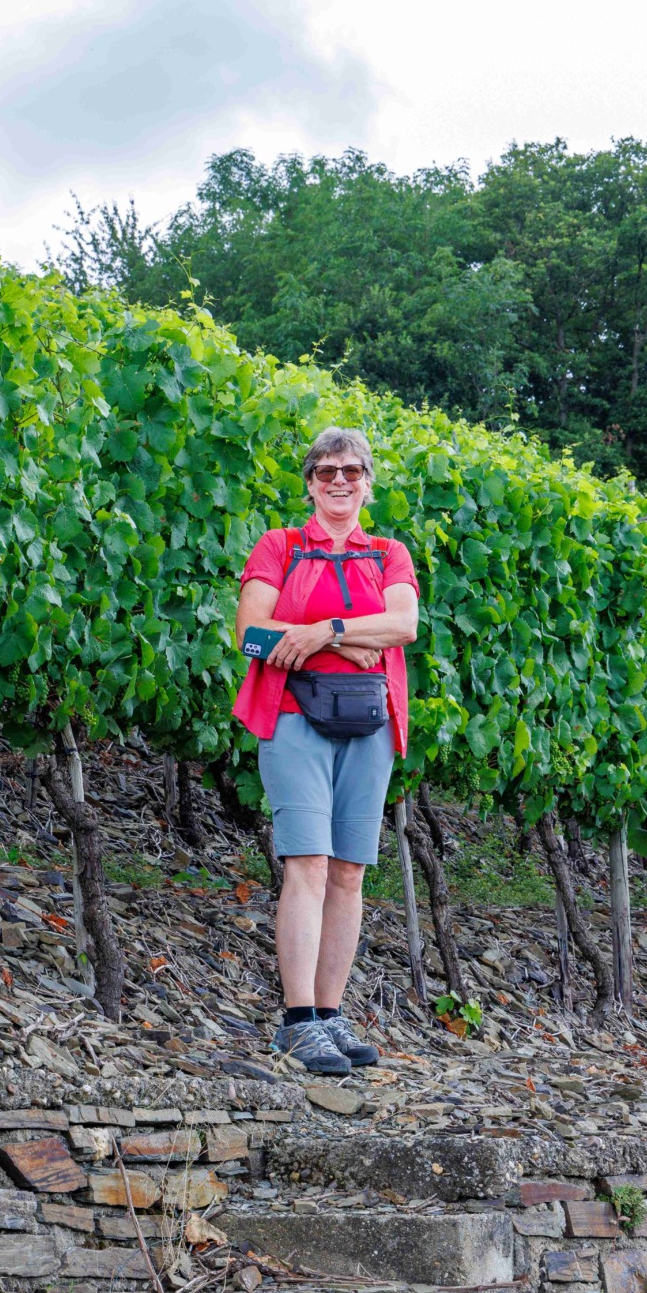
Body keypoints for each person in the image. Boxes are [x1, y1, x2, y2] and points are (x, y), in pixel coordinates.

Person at [233, 426, 419, 1075]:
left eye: (351, 471)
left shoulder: (389, 554)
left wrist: (321, 631)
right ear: (310, 484)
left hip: (370, 723)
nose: (338, 481)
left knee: (348, 871)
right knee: (307, 863)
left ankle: (329, 1014)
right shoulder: (279, 546)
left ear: (368, 483)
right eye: (325, 471)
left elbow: (403, 625)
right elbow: (252, 634)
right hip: (292, 717)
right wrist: (342, 640)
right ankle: (297, 1022)